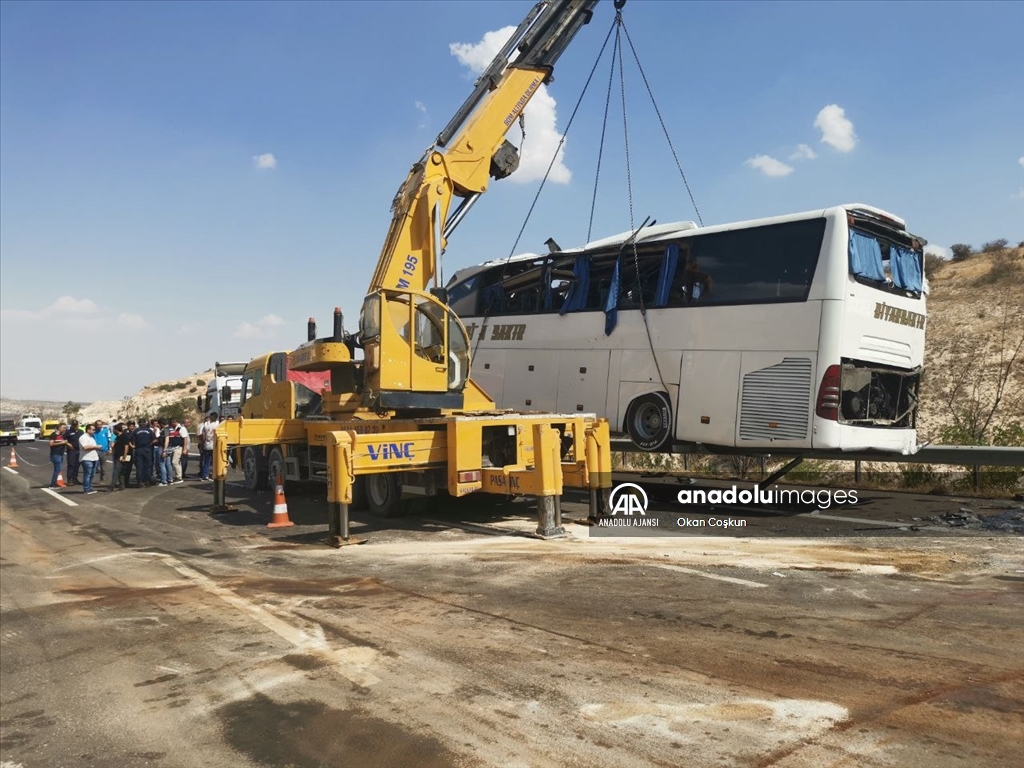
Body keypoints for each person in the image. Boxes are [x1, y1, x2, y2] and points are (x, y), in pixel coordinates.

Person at [131, 419, 155, 487]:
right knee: (147, 466)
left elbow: (129, 438)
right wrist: (150, 443)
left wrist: (132, 445)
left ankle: (140, 482)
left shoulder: (136, 430)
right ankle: (147, 481)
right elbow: (155, 439)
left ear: (138, 424)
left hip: (139, 449)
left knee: (139, 466)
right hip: (147, 449)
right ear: (145, 423)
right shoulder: (149, 430)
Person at [78, 424, 100, 495]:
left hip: (93, 458)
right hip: (87, 458)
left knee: (92, 474)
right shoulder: (83, 437)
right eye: (93, 430)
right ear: (88, 430)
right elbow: (85, 447)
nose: (94, 431)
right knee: (87, 474)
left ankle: (90, 487)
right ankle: (86, 489)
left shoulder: (91, 438)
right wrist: (95, 447)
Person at [110, 423, 133, 491]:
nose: (113, 431)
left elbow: (126, 447)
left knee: (116, 472)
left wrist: (124, 456)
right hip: (117, 456)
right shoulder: (118, 437)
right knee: (121, 472)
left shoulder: (124, 436)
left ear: (117, 430)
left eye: (114, 430)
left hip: (121, 457)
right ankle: (122, 486)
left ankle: (112, 487)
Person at [198, 412, 219, 481]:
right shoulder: (218, 425)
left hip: (209, 444)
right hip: (213, 445)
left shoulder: (207, 425)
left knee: (208, 461)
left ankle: (205, 475)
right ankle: (211, 475)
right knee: (212, 461)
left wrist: (202, 444)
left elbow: (203, 435)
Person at [166, 417, 187, 484]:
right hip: (172, 447)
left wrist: (185, 449)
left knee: (174, 462)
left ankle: (179, 477)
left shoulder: (181, 428)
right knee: (176, 462)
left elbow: (185, 439)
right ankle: (178, 475)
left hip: (178, 447)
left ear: (175, 422)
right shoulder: (172, 428)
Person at [48, 422, 68, 488]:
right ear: (59, 428)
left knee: (58, 469)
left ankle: (55, 482)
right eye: (63, 428)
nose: (65, 429)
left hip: (61, 454)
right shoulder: (54, 435)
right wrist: (61, 443)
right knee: (57, 469)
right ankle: (52, 484)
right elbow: (51, 444)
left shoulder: (62, 435)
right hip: (55, 454)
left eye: (65, 428)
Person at [65, 420, 83, 485]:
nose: (75, 426)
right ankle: (69, 479)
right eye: (74, 425)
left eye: (76, 425)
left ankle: (75, 479)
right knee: (71, 465)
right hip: (72, 450)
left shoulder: (81, 432)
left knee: (77, 465)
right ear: (72, 425)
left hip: (79, 450)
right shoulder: (68, 432)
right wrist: (67, 444)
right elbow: (64, 440)